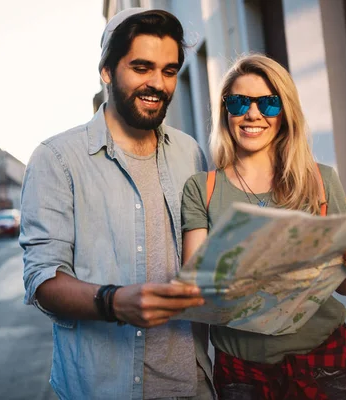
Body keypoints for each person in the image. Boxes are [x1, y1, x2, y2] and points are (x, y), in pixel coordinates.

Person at [21, 8, 216, 400]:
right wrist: (114, 301)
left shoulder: (190, 152)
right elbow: (42, 279)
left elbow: (213, 253)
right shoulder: (57, 158)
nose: (157, 84)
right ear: (107, 71)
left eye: (169, 70)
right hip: (104, 388)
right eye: (141, 67)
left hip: (193, 385)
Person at [181, 54, 346, 399]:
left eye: (269, 104)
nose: (253, 114)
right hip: (242, 372)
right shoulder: (202, 188)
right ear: (225, 111)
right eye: (239, 101)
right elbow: (199, 289)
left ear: (285, 112)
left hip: (326, 362)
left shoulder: (321, 180)